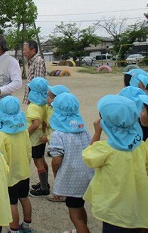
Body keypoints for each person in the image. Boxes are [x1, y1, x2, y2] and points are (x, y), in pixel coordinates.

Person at [82, 95, 148, 232]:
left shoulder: (106, 149)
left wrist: (97, 132)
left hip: (114, 212)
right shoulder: (141, 145)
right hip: (136, 207)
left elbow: (88, 157)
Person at [47, 93, 94, 233]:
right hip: (86, 175)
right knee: (80, 206)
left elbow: (56, 160)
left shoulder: (58, 134)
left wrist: (56, 174)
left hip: (72, 178)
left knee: (74, 213)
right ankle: (80, 229)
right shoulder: (82, 129)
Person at [0, 96, 34, 233]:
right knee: (25, 198)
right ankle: (27, 225)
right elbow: (29, 151)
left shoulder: (1, 134)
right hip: (24, 172)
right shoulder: (23, 131)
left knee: (12, 203)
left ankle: (14, 230)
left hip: (10, 176)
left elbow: (0, 157)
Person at [42, 84, 70, 203]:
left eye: (51, 97)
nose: (48, 99)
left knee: (59, 165)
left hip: (58, 143)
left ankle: (61, 193)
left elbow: (59, 130)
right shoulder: (49, 108)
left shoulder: (58, 113)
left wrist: (47, 138)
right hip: (54, 142)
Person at [25, 77, 50, 197]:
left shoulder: (33, 106)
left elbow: (35, 124)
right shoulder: (45, 104)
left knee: (38, 162)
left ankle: (44, 189)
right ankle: (44, 182)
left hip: (35, 139)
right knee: (42, 160)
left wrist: (26, 134)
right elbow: (43, 122)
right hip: (42, 137)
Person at [22, 40, 46, 104]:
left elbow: (38, 85)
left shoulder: (38, 61)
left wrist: (32, 101)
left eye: (25, 50)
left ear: (33, 51)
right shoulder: (31, 62)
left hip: (35, 101)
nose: (23, 52)